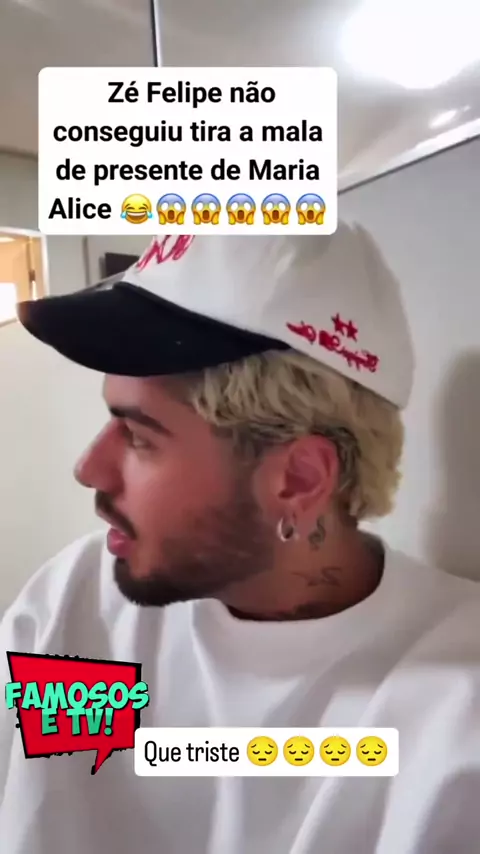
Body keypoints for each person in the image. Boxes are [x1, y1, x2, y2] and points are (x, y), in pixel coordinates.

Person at [1, 225, 479, 854]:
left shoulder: (456, 703)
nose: (90, 469)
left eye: (139, 436)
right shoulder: (82, 608)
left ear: (298, 479)